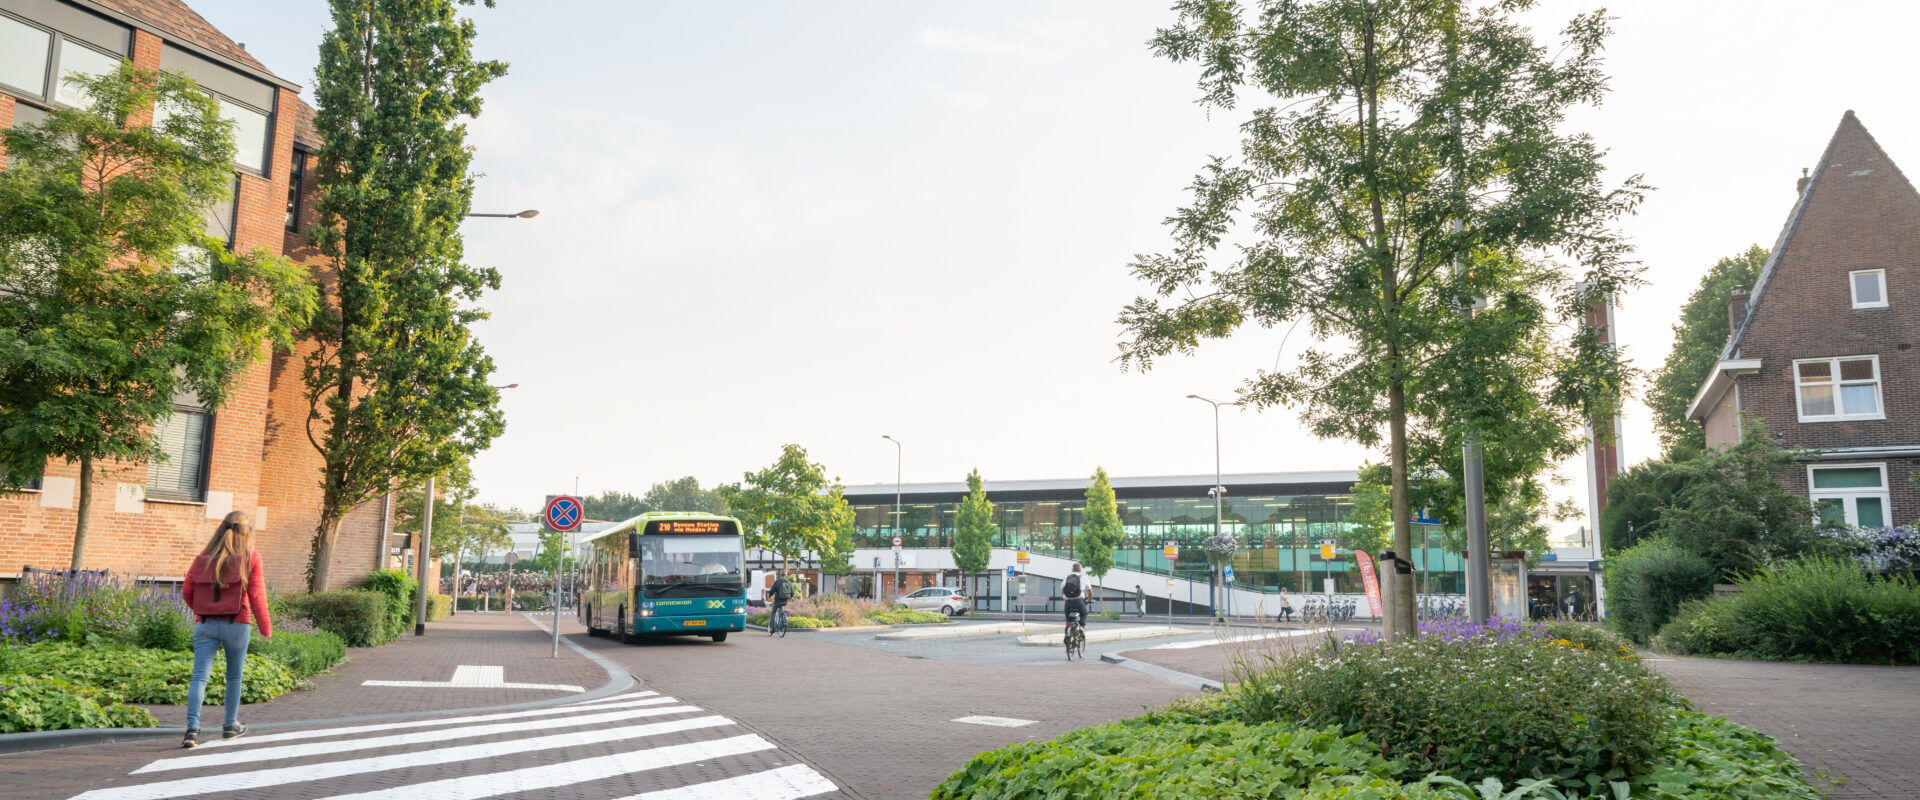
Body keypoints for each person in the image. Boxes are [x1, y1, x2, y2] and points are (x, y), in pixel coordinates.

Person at [180, 511, 271, 748]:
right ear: (247, 532)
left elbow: (187, 591)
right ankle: (230, 725)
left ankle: (192, 731)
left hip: (205, 624)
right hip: (237, 624)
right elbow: (257, 595)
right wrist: (265, 628)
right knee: (234, 677)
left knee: (199, 677)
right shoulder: (251, 558)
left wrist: (203, 610)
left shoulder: (203, 558)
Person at [1062, 563, 1087, 630]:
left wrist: (1065, 598)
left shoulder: (1066, 577)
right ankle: (1081, 626)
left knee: (1067, 615)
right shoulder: (1083, 577)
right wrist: (1090, 600)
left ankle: (1068, 625)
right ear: (1080, 570)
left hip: (1068, 602)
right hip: (1079, 602)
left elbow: (1062, 590)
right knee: (1084, 613)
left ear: (1072, 569)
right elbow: (1090, 591)